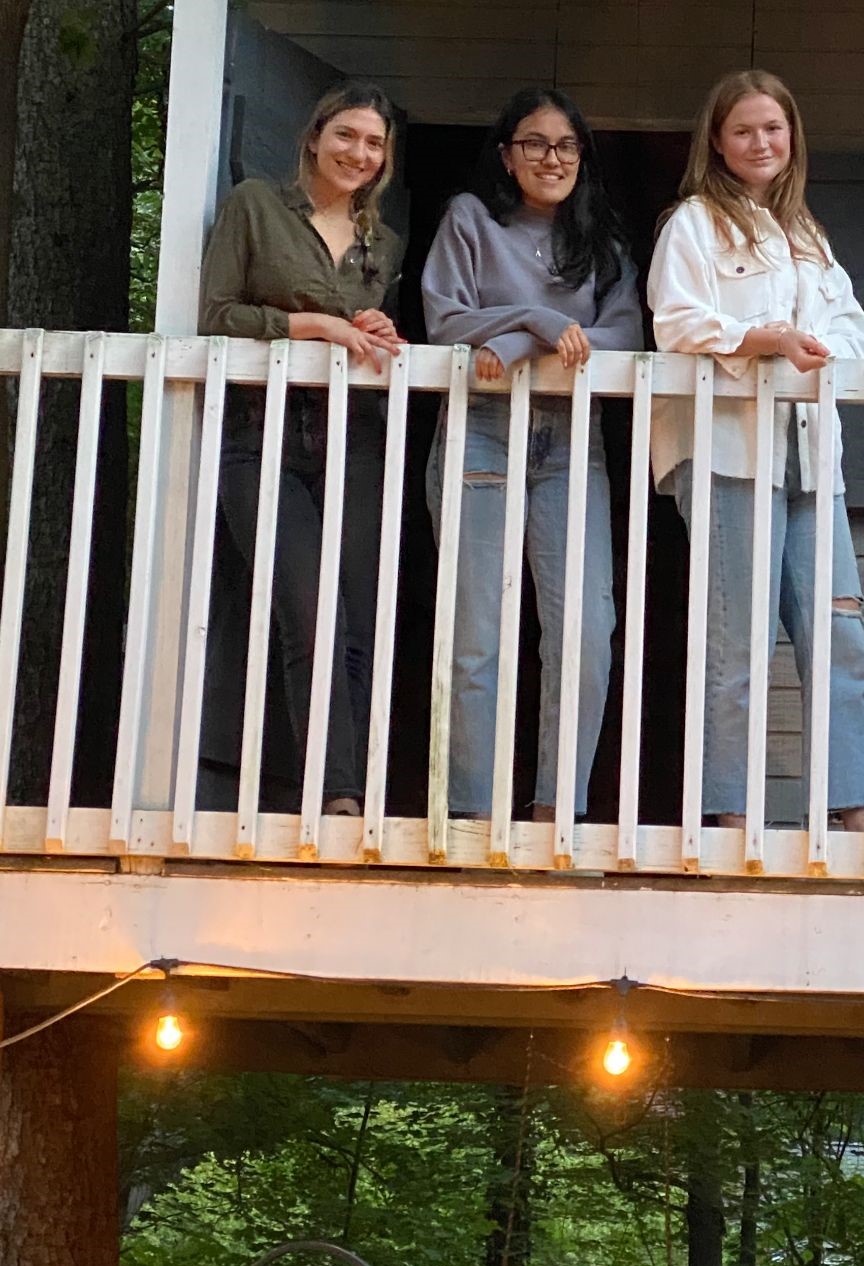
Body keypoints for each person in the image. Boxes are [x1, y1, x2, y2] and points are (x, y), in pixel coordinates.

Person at [648, 69, 864, 830]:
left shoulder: (806, 233)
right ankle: (728, 814)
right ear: (717, 140)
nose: (760, 143)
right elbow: (676, 321)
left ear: (792, 137)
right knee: (737, 640)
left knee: (837, 630)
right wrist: (762, 341)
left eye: (773, 129)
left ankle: (852, 807)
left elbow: (851, 330)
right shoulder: (693, 223)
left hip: (812, 457)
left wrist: (810, 346)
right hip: (727, 451)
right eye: (743, 130)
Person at [422, 86, 641, 823]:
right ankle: (472, 814)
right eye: (536, 144)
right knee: (476, 632)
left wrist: (516, 341)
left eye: (567, 145)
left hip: (571, 440)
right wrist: (537, 323)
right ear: (507, 155)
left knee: (585, 629)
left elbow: (624, 338)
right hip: (482, 427)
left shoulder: (602, 248)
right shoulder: (471, 219)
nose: (552, 158)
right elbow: (446, 322)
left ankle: (557, 813)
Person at [199, 83, 405, 818]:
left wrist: (374, 327)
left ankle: (349, 793)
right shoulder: (257, 205)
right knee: (307, 611)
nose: (359, 153)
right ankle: (328, 790)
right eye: (347, 136)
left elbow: (366, 341)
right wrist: (316, 328)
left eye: (374, 143)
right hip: (261, 437)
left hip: (354, 438)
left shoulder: (385, 244)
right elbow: (217, 315)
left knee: (355, 622)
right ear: (315, 137)